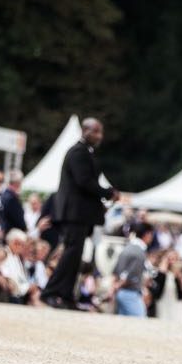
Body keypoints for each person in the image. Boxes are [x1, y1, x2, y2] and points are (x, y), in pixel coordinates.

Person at [41, 118, 116, 309]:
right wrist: (108, 192)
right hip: (74, 213)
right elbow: (84, 182)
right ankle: (51, 291)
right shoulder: (78, 153)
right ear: (85, 131)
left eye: (101, 132)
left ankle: (65, 294)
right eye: (96, 131)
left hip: (79, 213)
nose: (100, 136)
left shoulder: (84, 153)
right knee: (71, 253)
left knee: (74, 255)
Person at [111, 223, 153, 317]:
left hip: (121, 292)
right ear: (147, 234)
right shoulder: (139, 252)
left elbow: (116, 272)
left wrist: (114, 288)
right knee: (140, 322)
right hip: (130, 293)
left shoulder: (127, 248)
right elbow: (131, 276)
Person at [151, 249, 182, 322]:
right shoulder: (159, 274)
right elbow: (156, 292)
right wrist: (162, 271)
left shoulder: (180, 275)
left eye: (175, 259)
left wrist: (181, 280)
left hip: (176, 307)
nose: (172, 261)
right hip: (163, 305)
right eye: (170, 259)